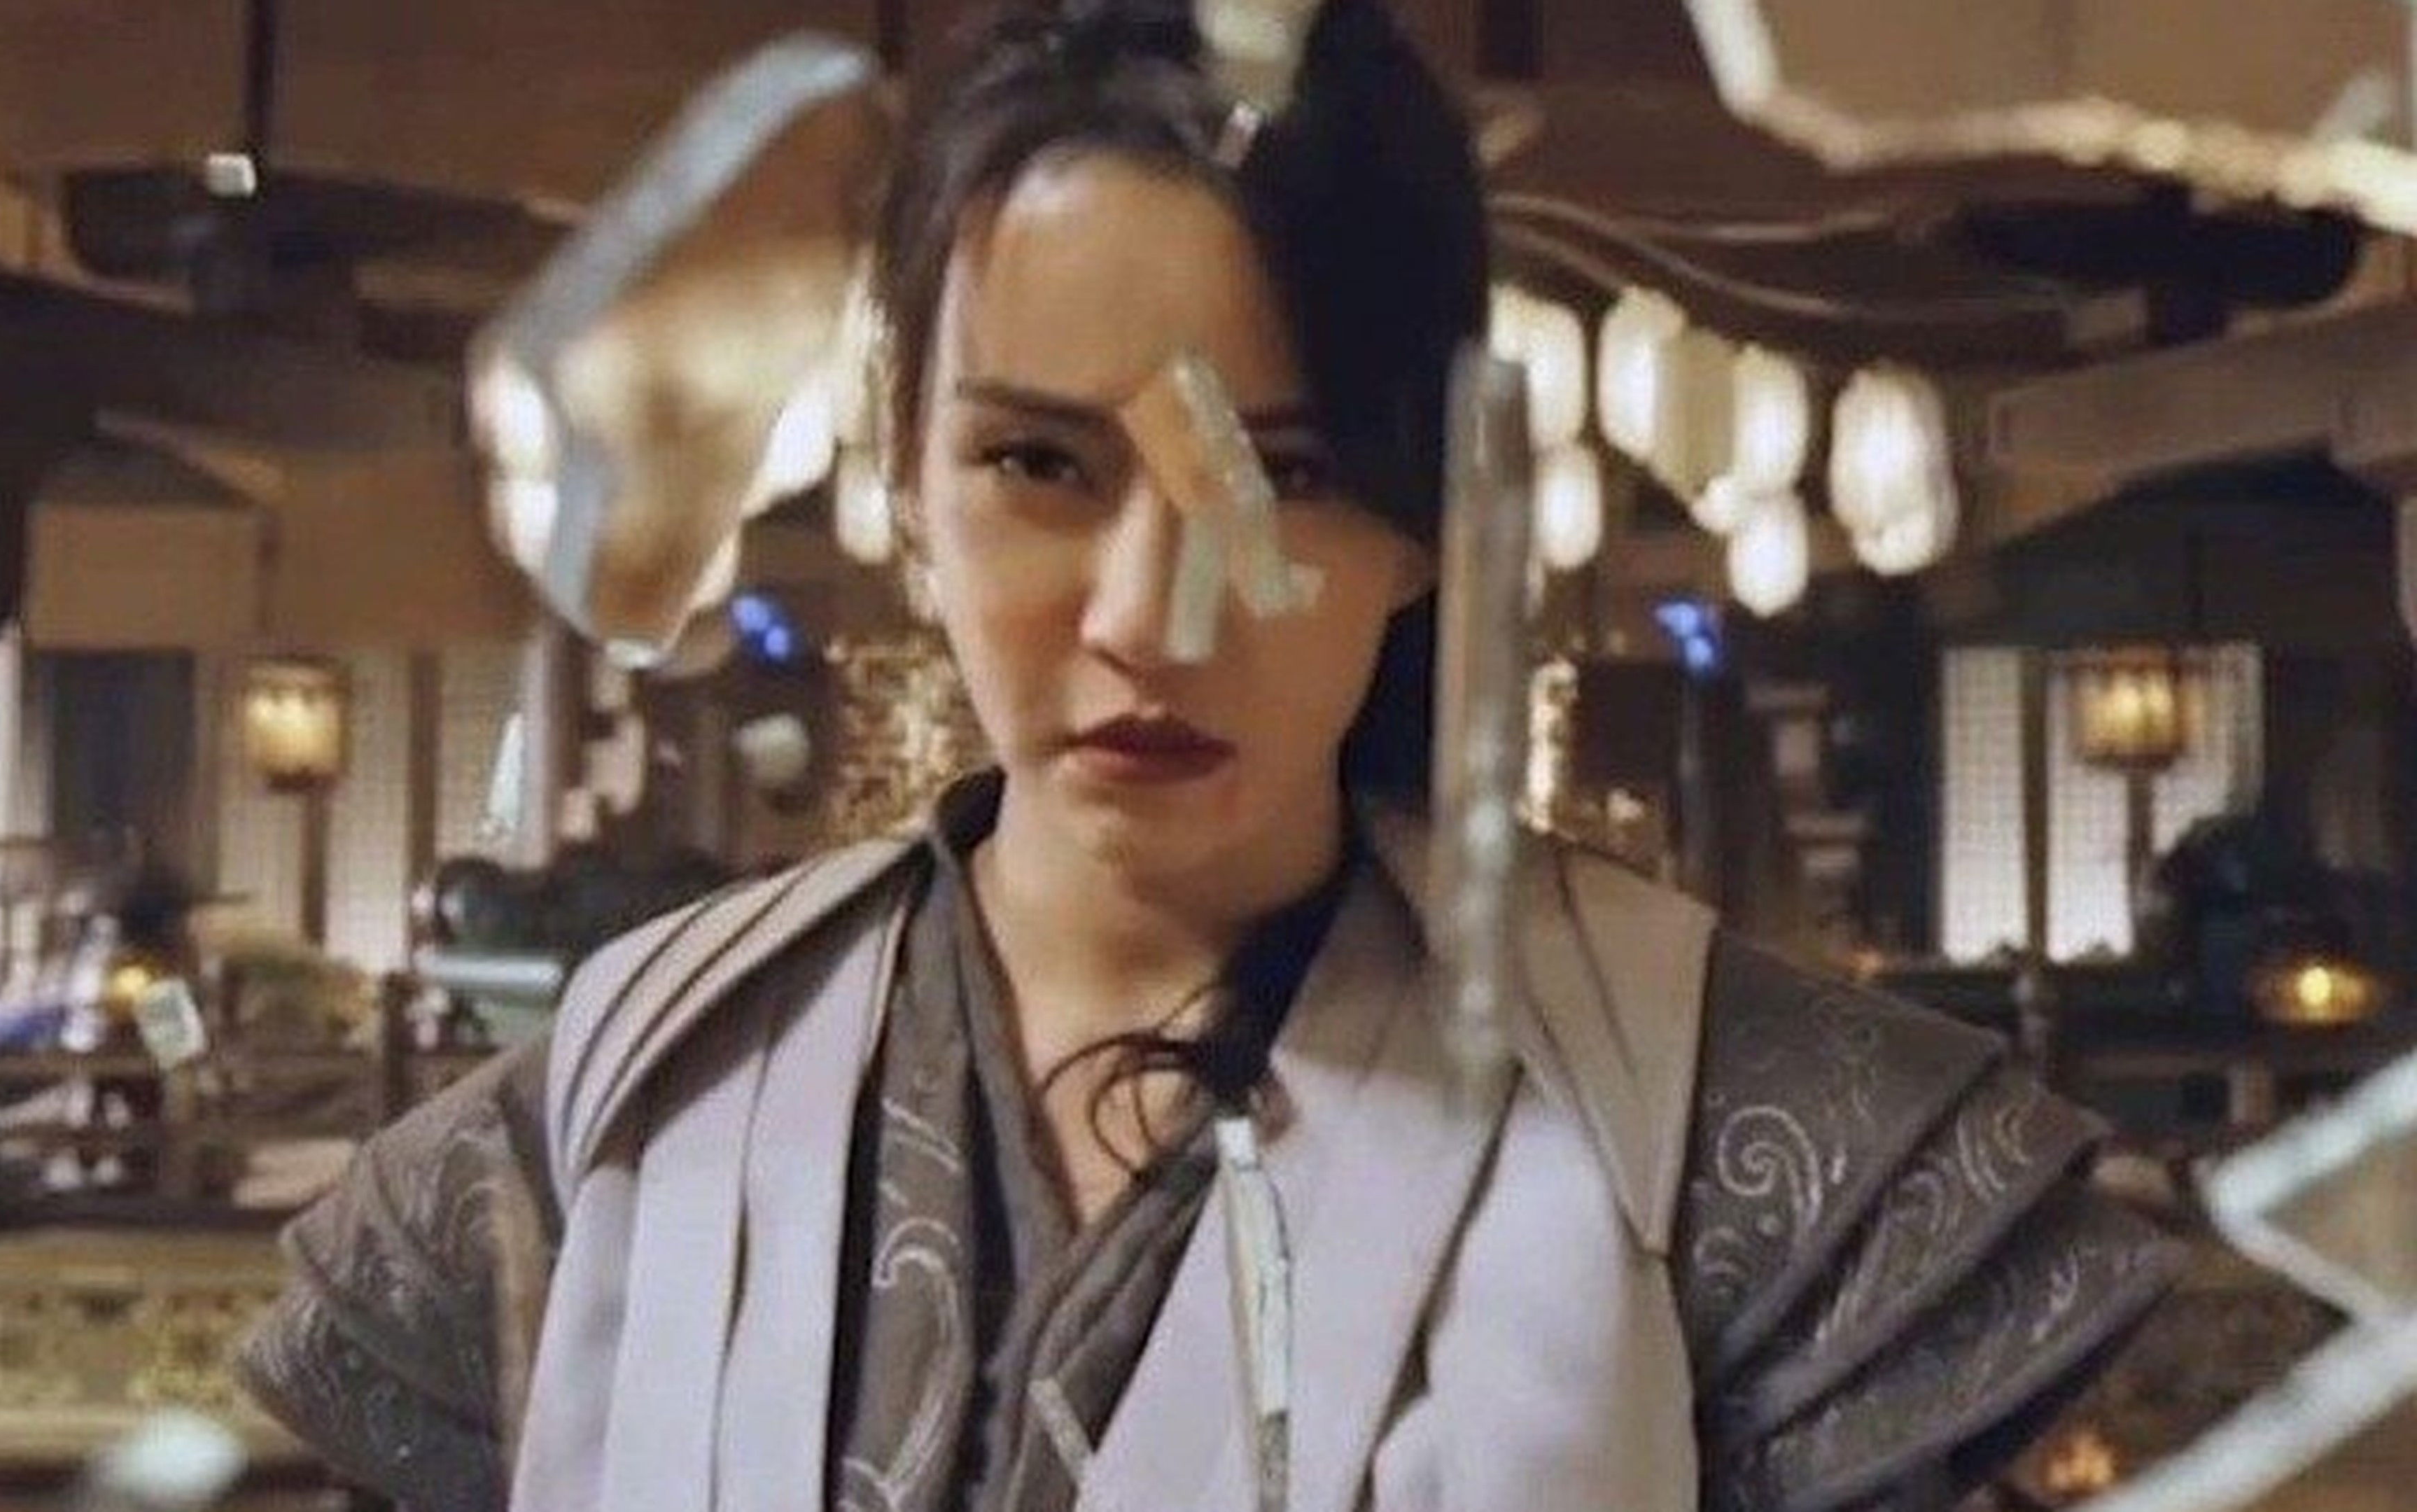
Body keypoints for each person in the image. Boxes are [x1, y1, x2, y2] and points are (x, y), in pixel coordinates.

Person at [238, 4, 2177, 1508]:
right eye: (1039, 464)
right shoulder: (620, 1101)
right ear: (905, 477)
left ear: (1432, 514)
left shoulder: (1764, 1152)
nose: (1152, 619)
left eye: (1285, 477)